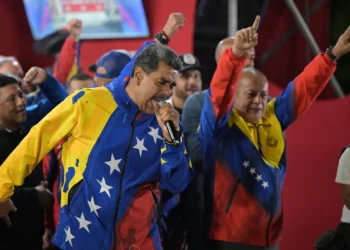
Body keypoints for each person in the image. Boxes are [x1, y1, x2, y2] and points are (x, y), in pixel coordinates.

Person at [0, 13, 193, 250]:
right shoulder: (89, 102)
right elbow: (36, 141)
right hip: (80, 239)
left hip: (140, 243)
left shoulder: (167, 124)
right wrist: (1, 190)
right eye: (162, 82)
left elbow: (177, 185)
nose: (167, 92)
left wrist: (173, 141)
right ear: (140, 75)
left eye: (172, 85)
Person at [199, 16, 350, 250]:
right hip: (230, 240)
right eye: (251, 94)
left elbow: (303, 88)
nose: (259, 101)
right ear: (234, 96)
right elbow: (220, 92)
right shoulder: (219, 126)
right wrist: (237, 54)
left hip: (270, 237)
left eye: (263, 94)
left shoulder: (273, 116)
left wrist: (332, 55)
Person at [0, 70, 68, 250]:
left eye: (21, 95)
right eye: (11, 99)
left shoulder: (27, 124)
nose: (21, 102)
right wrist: (34, 195)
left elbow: (65, 108)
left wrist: (47, 81)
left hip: (33, 236)